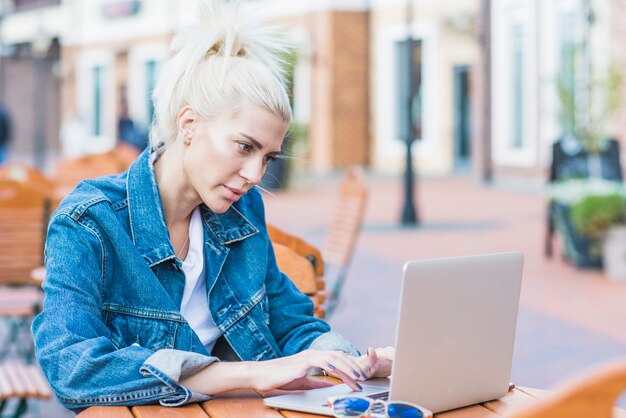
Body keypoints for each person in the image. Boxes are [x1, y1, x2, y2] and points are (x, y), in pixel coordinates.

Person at [32, 0, 393, 412]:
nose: (255, 174)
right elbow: (71, 366)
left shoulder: (242, 210)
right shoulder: (89, 222)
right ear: (189, 125)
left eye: (268, 157)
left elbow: (290, 322)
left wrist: (356, 363)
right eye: (244, 146)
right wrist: (247, 375)